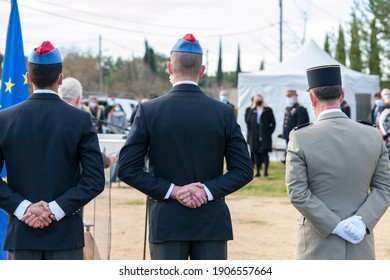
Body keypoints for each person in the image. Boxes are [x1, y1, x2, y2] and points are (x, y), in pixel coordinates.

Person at [117, 33, 253, 260]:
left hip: (166, 221)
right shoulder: (224, 112)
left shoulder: (149, 111)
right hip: (211, 223)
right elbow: (243, 170)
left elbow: (126, 169)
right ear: (202, 70)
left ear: (169, 67)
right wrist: (206, 191)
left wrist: (173, 191)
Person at [0, 41, 105, 260]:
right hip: (65, 237)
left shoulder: (4, 119)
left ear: (28, 78)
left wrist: (24, 209)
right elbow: (94, 180)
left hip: (22, 235)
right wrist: (55, 209)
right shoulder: (80, 120)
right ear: (60, 78)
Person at [286, 64, 390, 260]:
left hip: (317, 244)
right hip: (360, 242)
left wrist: (334, 225)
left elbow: (297, 192)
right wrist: (363, 222)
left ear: (311, 98)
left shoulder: (300, 137)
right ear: (342, 95)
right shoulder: (373, 135)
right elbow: (385, 187)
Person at [59, 77, 117, 168]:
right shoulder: (82, 119)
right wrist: (107, 160)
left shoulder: (48, 114)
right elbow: (90, 152)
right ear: (78, 99)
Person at [245, 94, 276, 177]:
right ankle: (257, 171)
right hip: (254, 136)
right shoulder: (251, 110)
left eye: (259, 100)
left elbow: (273, 123)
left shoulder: (268, 110)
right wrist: (253, 108)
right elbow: (247, 122)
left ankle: (265, 171)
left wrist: (269, 132)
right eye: (256, 100)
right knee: (256, 154)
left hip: (265, 135)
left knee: (265, 153)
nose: (258, 101)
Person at [281, 90, 309, 163]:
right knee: (289, 149)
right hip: (288, 134)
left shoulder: (299, 108)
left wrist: (297, 134)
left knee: (294, 151)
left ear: (295, 97)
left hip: (295, 135)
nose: (288, 99)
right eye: (288, 97)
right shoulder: (289, 108)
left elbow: (300, 123)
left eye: (290, 97)